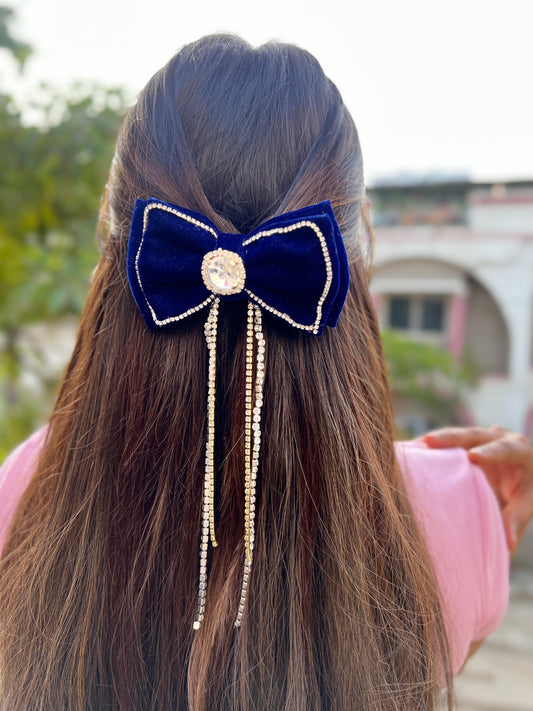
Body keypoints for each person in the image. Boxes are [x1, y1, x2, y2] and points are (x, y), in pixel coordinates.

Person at [0, 34, 531, 711]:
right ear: (358, 242)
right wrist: (490, 507)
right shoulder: (464, 504)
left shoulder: (26, 494)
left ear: (115, 232)